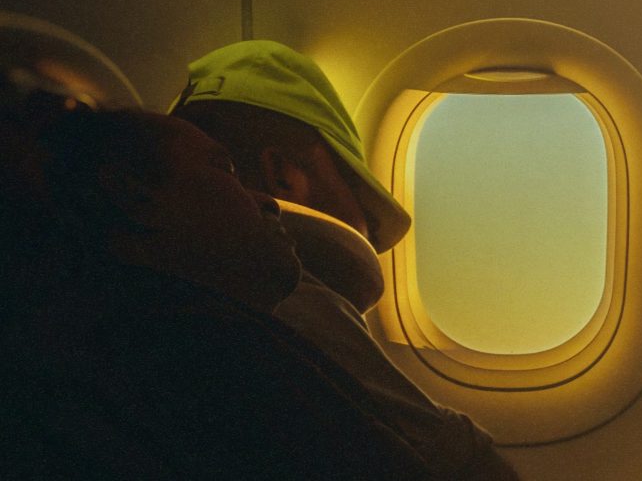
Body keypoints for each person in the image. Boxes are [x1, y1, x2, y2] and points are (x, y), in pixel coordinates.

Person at [0, 18, 430, 478]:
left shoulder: (86, 337)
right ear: (133, 194)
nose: (266, 202)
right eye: (222, 169)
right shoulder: (221, 343)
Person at [170, 40, 520, 480]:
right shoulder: (287, 296)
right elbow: (464, 467)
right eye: (359, 197)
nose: (371, 237)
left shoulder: (159, 283)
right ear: (284, 174)